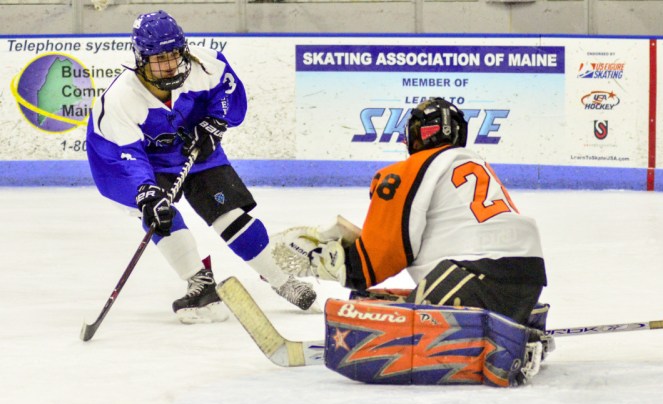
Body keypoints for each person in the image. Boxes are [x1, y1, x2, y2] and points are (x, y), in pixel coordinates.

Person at [86, 10, 317, 324]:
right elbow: (125, 155)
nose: (169, 64)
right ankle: (200, 282)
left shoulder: (205, 64)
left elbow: (227, 90)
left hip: (195, 151)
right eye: (158, 59)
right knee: (159, 215)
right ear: (141, 60)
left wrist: (215, 124)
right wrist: (146, 193)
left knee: (228, 213)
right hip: (144, 164)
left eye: (174, 55)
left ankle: (280, 279)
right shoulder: (121, 99)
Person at [278, 97, 547, 326]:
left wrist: (337, 263)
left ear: (414, 137)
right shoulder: (474, 164)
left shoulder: (408, 171)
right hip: (527, 279)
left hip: (475, 279)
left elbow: (384, 254)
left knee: (373, 319)